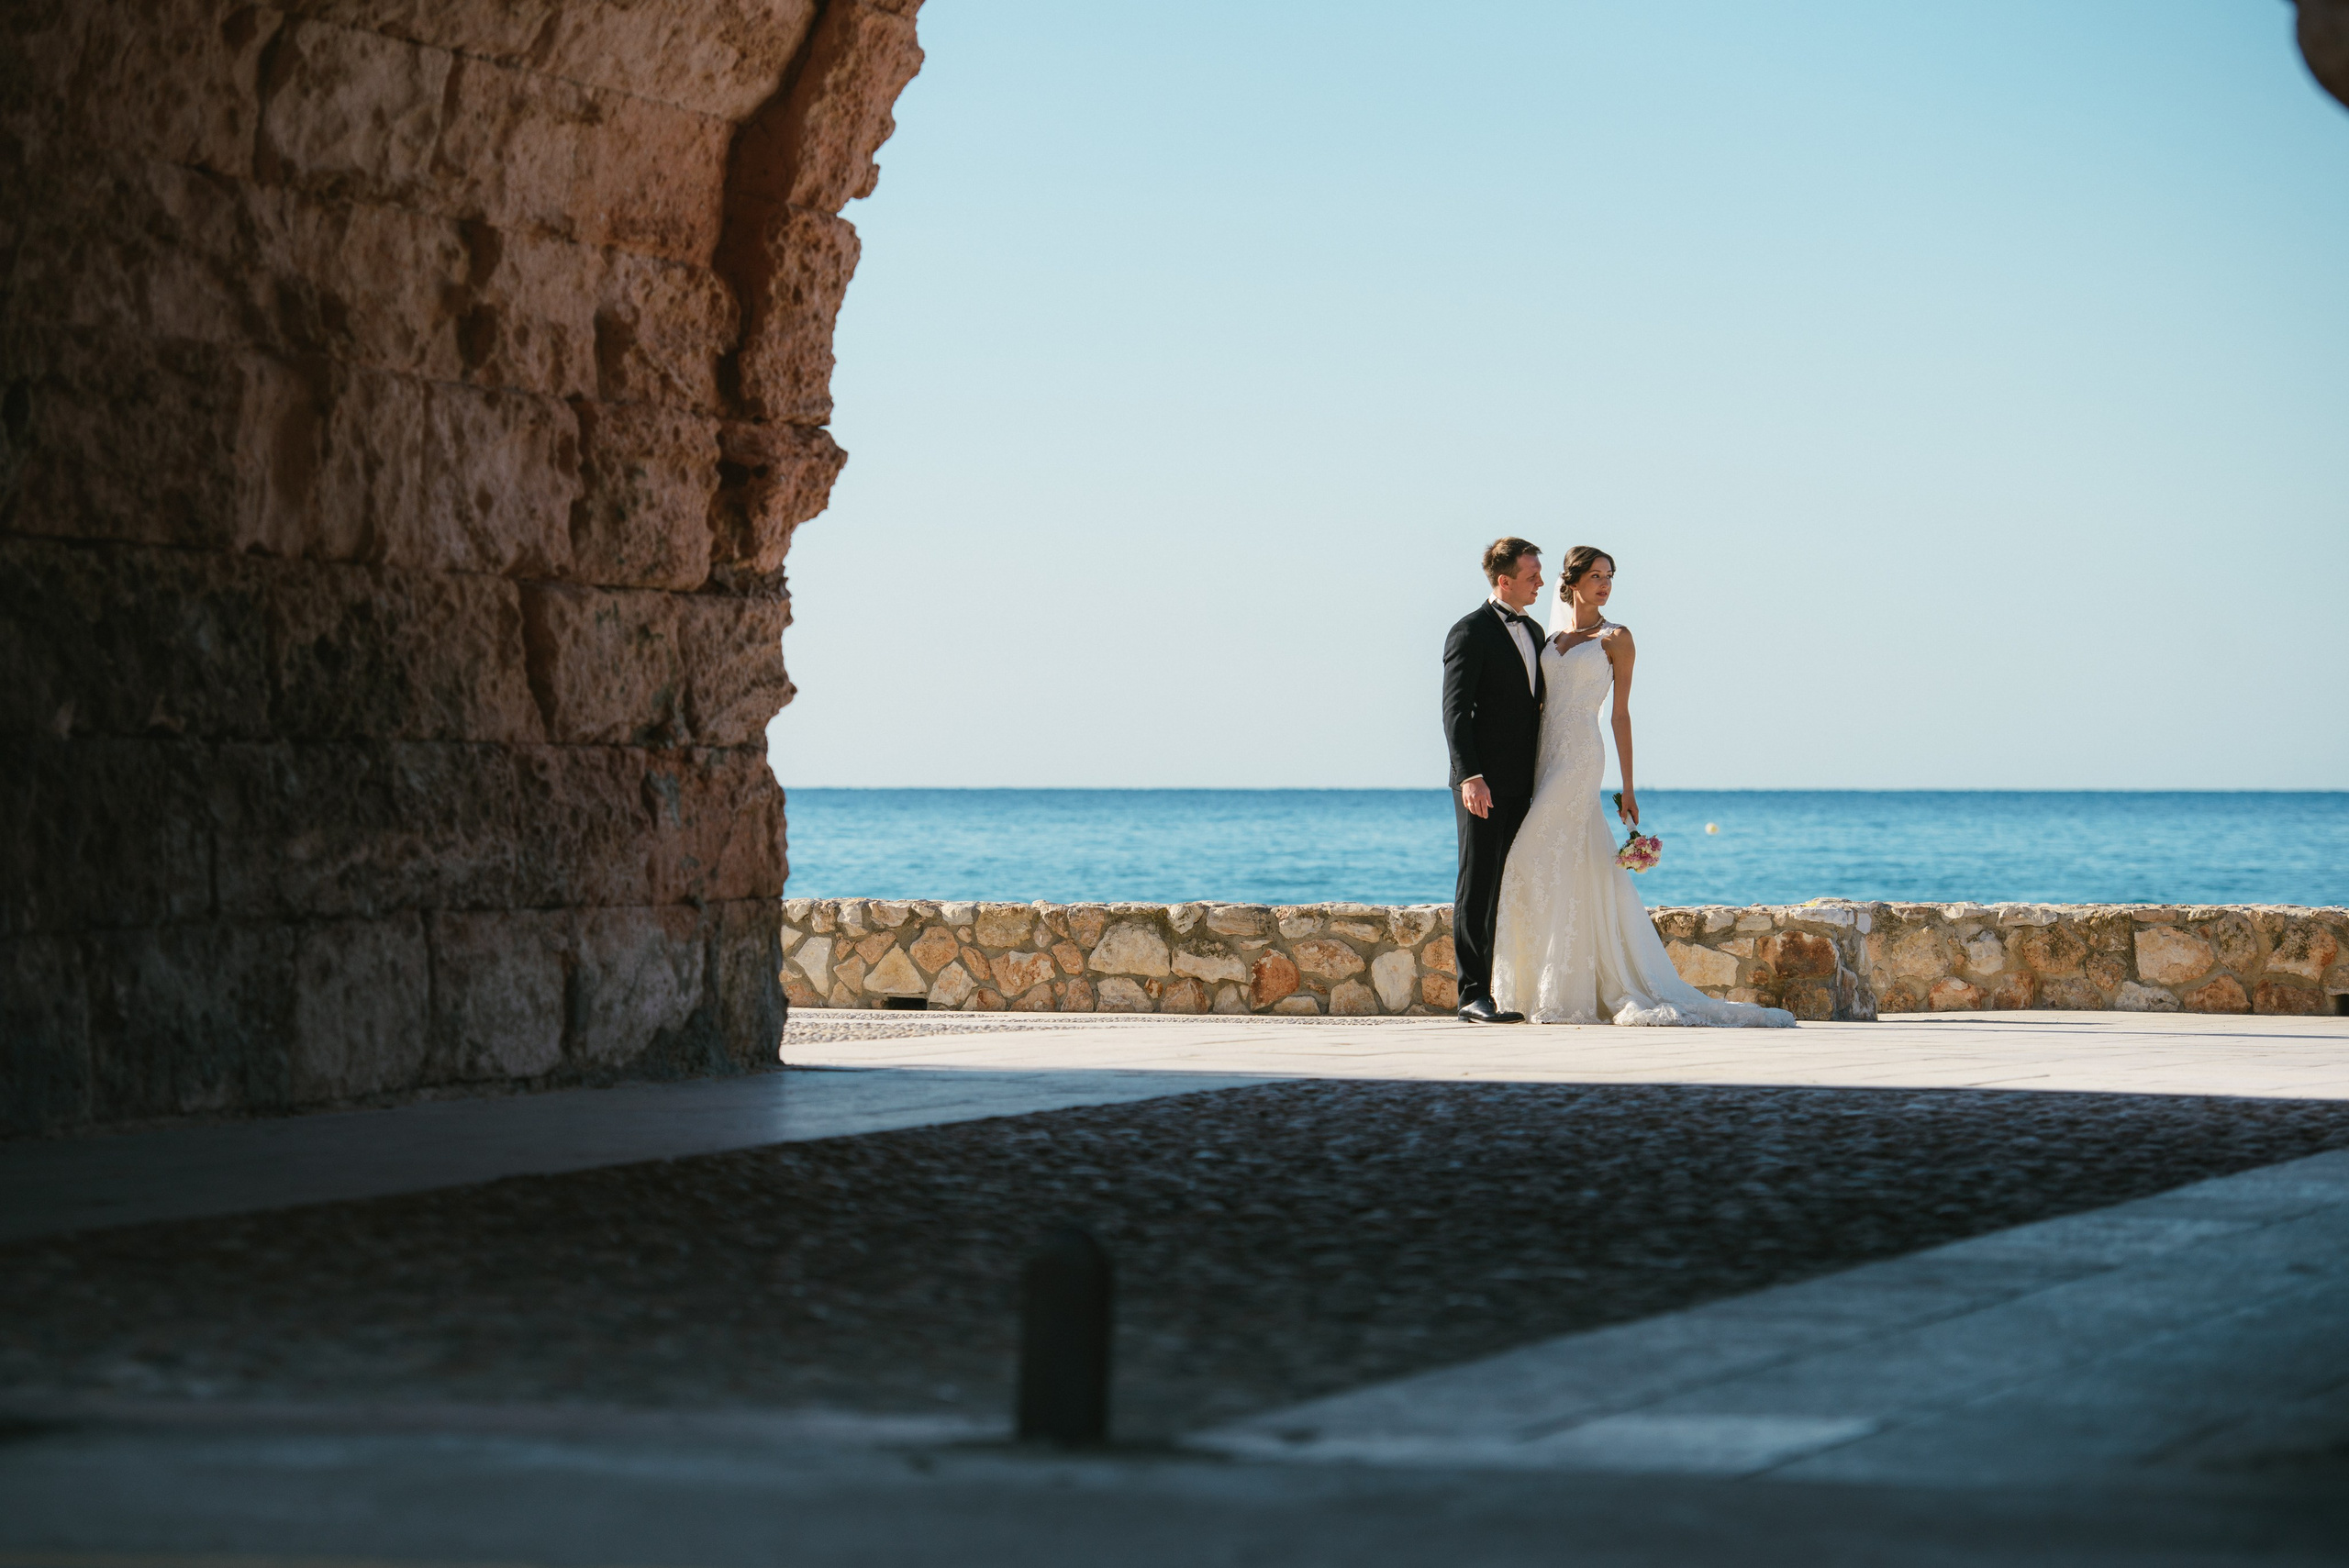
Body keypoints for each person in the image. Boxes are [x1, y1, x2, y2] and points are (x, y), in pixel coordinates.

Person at [1489, 546, 1796, 1028]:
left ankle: (1572, 987)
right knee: (1564, 861)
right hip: (1544, 757)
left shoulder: (1618, 638)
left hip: (1581, 757)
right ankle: (1551, 984)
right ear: (1571, 582)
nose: (1605, 584)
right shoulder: (1549, 637)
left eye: (1609, 576)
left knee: (1528, 854)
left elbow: (1621, 713)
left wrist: (1628, 787)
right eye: (1595, 576)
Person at [1441, 538, 1549, 1023]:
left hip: (1528, 782)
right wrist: (1471, 776)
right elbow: (1456, 712)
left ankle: (1507, 984)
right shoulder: (1469, 632)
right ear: (1503, 580)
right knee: (1478, 882)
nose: (1541, 583)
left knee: (1511, 884)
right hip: (1482, 784)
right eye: (1532, 575)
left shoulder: (1536, 630)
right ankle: (1472, 994)